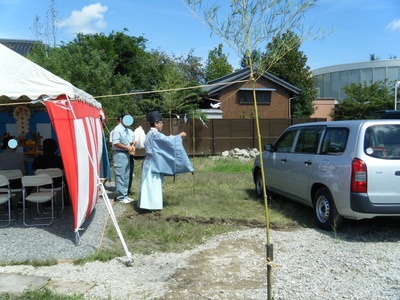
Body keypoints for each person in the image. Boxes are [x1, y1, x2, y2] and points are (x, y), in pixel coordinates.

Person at [138, 110, 193, 211]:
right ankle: (151, 206)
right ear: (156, 123)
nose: (162, 124)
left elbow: (165, 139)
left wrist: (174, 137)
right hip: (152, 164)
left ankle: (149, 205)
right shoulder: (154, 134)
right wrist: (179, 136)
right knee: (152, 184)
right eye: (161, 122)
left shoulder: (152, 134)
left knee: (150, 184)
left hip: (151, 162)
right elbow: (167, 141)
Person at [111, 114, 136, 204]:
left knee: (126, 175)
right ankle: (121, 197)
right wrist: (127, 147)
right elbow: (115, 142)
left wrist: (131, 143)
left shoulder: (126, 130)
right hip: (119, 154)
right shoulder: (117, 129)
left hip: (126, 154)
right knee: (120, 175)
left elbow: (125, 141)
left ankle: (125, 195)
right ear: (121, 119)